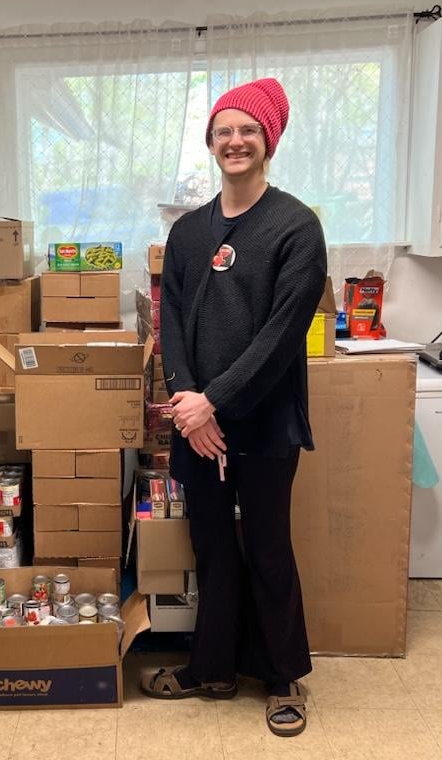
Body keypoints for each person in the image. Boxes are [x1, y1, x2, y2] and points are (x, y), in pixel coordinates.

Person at [141, 78, 327, 738]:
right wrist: (193, 407)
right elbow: (172, 323)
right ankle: (211, 666)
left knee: (269, 546)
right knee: (212, 548)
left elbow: (281, 334)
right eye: (224, 130)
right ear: (211, 143)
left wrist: (213, 401)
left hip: (265, 423)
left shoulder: (296, 228)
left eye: (248, 129)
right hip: (199, 427)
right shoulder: (189, 232)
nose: (235, 141)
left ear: (268, 138)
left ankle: (283, 675)